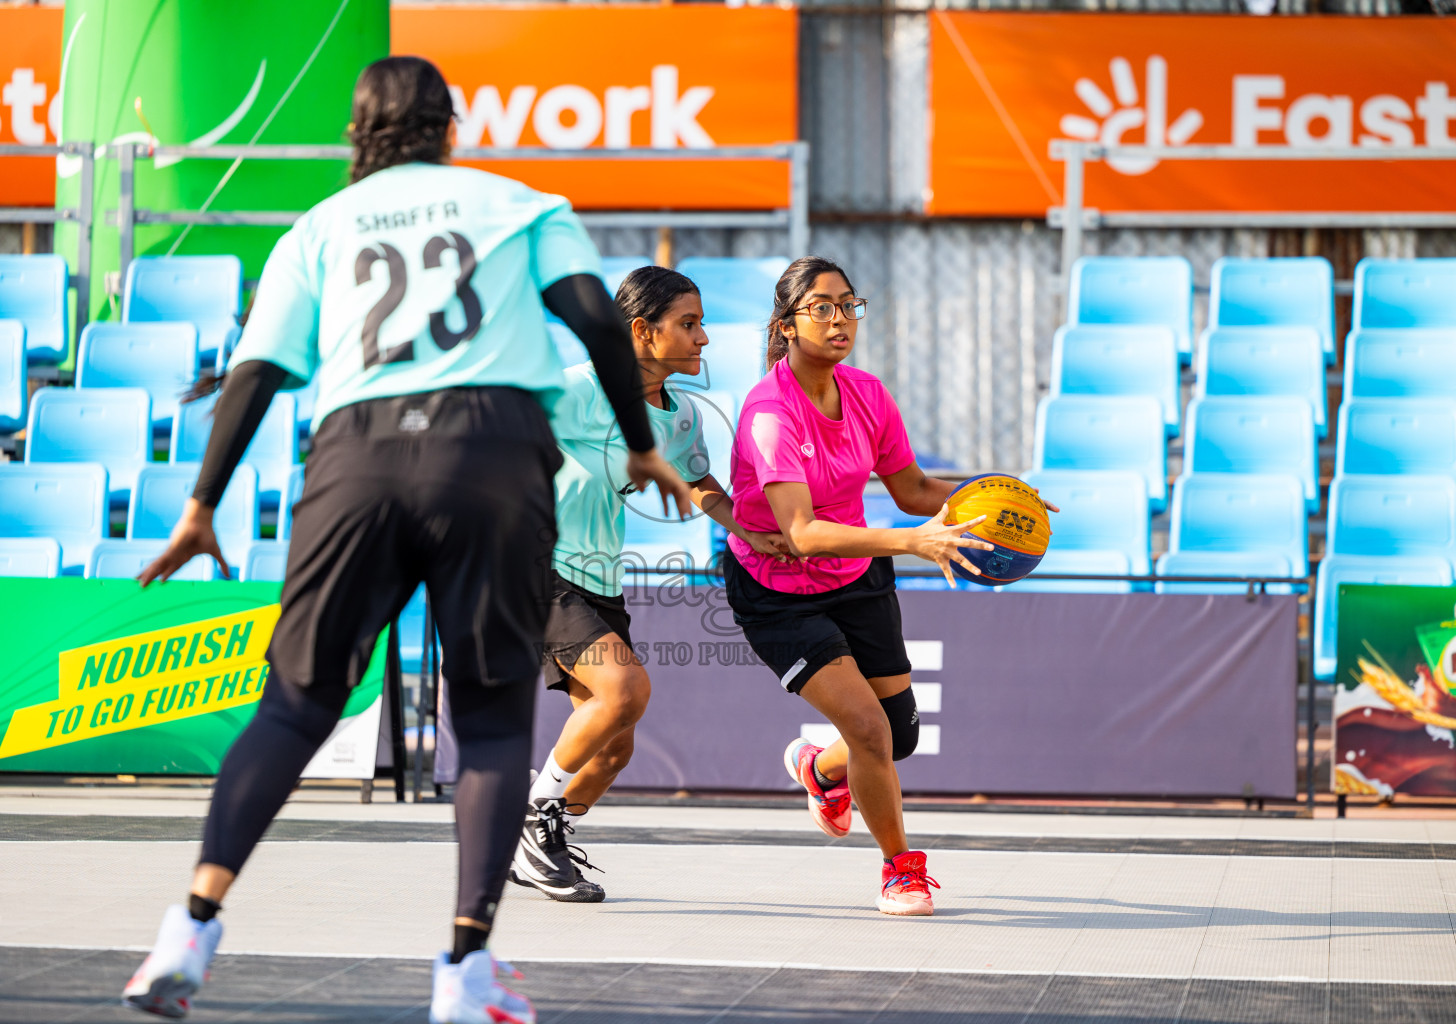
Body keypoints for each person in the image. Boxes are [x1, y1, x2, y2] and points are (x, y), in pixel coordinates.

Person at [118, 57, 690, 1024]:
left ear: (359, 131)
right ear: (449, 126)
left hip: (358, 460)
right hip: (493, 457)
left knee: (295, 707)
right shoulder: (521, 202)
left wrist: (202, 502)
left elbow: (257, 372)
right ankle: (466, 969)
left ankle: (190, 927)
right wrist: (641, 446)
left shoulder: (321, 227)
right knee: (497, 723)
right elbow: (597, 318)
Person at [722, 256, 1052, 916]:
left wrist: (1006, 499)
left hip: (858, 572)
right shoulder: (770, 414)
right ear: (786, 325)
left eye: (848, 304)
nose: (840, 318)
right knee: (871, 730)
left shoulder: (868, 393)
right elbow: (803, 532)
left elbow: (913, 491)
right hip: (779, 590)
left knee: (897, 736)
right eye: (822, 307)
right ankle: (900, 869)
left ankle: (820, 769)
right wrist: (915, 542)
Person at [512, 266, 788, 902]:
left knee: (612, 751)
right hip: (541, 568)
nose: (703, 339)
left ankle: (535, 833)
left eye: (701, 324)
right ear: (641, 331)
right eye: (688, 325)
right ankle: (532, 820)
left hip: (601, 578)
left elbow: (700, 483)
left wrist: (753, 530)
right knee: (627, 689)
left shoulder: (682, 413)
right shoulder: (576, 391)